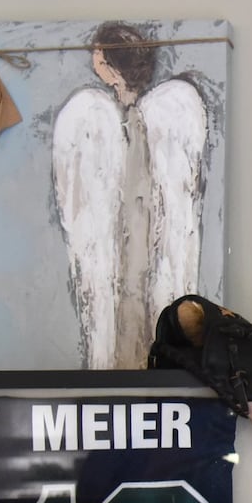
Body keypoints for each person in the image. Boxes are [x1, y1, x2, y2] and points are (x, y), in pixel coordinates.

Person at [53, 20, 210, 370]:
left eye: (99, 56)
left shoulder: (156, 111)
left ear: (110, 67)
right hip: (118, 224)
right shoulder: (99, 115)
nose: (95, 61)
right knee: (120, 293)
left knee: (143, 288)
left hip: (144, 222)